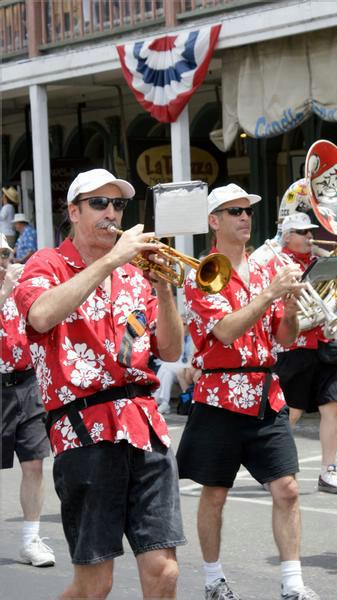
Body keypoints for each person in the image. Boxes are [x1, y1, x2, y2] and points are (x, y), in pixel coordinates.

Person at [14, 168, 186, 599]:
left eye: (118, 204)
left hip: (144, 425)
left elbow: (168, 350)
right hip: (84, 430)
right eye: (99, 203)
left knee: (164, 571)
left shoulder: (134, 276)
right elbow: (40, 315)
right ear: (74, 211)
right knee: (95, 584)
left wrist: (164, 290)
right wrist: (111, 259)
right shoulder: (47, 264)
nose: (112, 213)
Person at [177, 183, 319, 600]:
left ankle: (292, 582)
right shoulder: (200, 272)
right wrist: (272, 293)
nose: (244, 217)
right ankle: (213, 577)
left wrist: (290, 309)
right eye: (234, 211)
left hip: (265, 390)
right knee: (215, 494)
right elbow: (224, 331)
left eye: (247, 211)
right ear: (213, 221)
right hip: (219, 395)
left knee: (288, 488)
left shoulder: (263, 269)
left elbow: (286, 337)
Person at [265, 212, 337, 495]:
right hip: (295, 347)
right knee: (292, 411)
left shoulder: (317, 262)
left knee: (333, 408)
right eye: (303, 233)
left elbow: (333, 290)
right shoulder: (279, 264)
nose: (309, 237)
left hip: (323, 342)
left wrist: (336, 301)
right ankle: (274, 468)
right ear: (287, 236)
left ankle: (329, 470)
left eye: (310, 232)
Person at [0, 234, 55, 567]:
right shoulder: (7, 288)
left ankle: (30, 540)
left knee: (34, 463)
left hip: (27, 383)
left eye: (5, 253)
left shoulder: (21, 285)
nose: (3, 260)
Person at [155, 322, 195, 414]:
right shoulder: (179, 337)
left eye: (184, 324)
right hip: (180, 365)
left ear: (189, 324)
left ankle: (156, 397)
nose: (182, 326)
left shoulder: (194, 336)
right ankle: (165, 403)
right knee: (167, 373)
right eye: (180, 324)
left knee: (166, 366)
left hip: (190, 365)